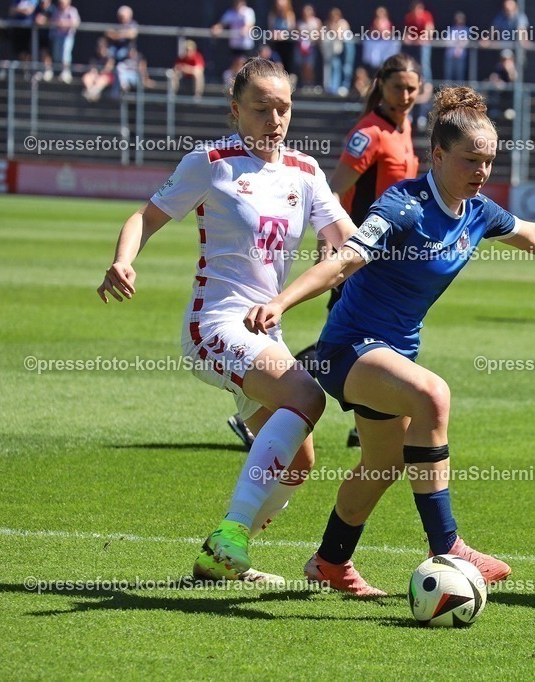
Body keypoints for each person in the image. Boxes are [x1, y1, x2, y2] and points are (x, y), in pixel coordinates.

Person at [242, 85, 535, 595]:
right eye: (471, 160)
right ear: (439, 155)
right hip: (348, 349)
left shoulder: (476, 210)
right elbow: (346, 260)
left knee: (381, 465)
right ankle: (447, 545)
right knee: (433, 394)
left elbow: (533, 235)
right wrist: (281, 303)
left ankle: (331, 563)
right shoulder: (403, 204)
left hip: (393, 354)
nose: (482, 172)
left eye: (489, 161)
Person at [97, 58, 357, 584]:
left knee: (299, 463)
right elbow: (145, 217)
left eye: (283, 107)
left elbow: (346, 244)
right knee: (307, 397)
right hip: (214, 325)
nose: (275, 118)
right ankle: (231, 534)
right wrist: (125, 259)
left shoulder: (305, 173)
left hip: (267, 332)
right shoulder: (211, 162)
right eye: (261, 108)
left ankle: (217, 563)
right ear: (236, 109)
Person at [228, 53, 423, 452]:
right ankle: (269, 401)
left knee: (369, 336)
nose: (405, 95)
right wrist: (329, 253)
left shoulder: (404, 129)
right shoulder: (369, 132)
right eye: (398, 87)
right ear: (381, 87)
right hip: (356, 256)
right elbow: (332, 191)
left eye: (412, 89)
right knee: (348, 339)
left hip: (386, 261)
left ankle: (364, 417)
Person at [212, 0, 256, 85]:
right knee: (236, 65)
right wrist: (216, 28)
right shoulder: (230, 13)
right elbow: (221, 24)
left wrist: (245, 29)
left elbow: (250, 24)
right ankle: (233, 84)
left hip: (246, 46)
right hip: (235, 45)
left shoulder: (248, 11)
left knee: (244, 66)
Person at [319, 7, 352, 96]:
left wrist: (334, 28)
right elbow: (322, 36)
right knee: (329, 68)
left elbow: (341, 35)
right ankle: (330, 87)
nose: (334, 17)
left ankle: (339, 86)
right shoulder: (327, 24)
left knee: (341, 67)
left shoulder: (343, 23)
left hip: (342, 50)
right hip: (330, 52)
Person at [402, 1, 434, 83]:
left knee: (424, 65)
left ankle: (427, 84)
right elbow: (407, 32)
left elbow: (429, 30)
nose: (417, 10)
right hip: (412, 47)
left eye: (419, 8)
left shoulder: (427, 15)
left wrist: (421, 39)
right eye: (415, 8)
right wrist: (408, 38)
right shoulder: (409, 17)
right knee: (411, 64)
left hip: (423, 46)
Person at [49, 0, 80, 83]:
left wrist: (66, 24)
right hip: (57, 36)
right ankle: (59, 71)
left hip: (67, 36)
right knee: (57, 55)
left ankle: (66, 72)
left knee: (65, 53)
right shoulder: (57, 11)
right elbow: (52, 21)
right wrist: (58, 23)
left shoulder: (72, 10)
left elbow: (76, 23)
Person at [267, 0, 296, 75]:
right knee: (277, 63)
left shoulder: (290, 14)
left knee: (287, 65)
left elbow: (291, 30)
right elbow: (271, 28)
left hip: (287, 44)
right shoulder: (273, 15)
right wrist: (275, 34)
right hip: (276, 44)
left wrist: (282, 35)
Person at [296, 4, 321, 88]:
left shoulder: (316, 22)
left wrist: (311, 39)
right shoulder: (300, 23)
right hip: (301, 48)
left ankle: (311, 84)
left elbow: (319, 35)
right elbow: (296, 35)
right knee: (303, 66)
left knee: (310, 67)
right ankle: (305, 83)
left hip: (312, 48)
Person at [443, 11, 470, 83]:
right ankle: (447, 93)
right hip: (450, 55)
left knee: (460, 76)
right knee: (448, 75)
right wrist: (456, 44)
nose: (459, 21)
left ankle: (460, 93)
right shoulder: (451, 29)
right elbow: (447, 41)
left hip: (460, 56)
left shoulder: (466, 30)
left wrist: (459, 48)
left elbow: (465, 41)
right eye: (457, 19)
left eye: (461, 19)